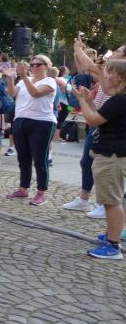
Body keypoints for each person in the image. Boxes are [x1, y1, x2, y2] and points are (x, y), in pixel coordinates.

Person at [63, 42, 126, 216]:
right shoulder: (115, 83)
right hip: (104, 125)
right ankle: (94, 201)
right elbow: (97, 78)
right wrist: (89, 100)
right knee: (88, 163)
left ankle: (107, 207)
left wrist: (77, 49)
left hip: (112, 136)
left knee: (112, 196)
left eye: (118, 51)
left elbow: (88, 66)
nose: (113, 53)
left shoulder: (120, 96)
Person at [73, 60, 126, 259]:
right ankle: (112, 235)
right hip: (112, 153)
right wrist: (90, 101)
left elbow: (93, 120)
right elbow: (103, 118)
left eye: (111, 72)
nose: (107, 76)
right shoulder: (118, 99)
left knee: (111, 202)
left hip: (111, 155)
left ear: (121, 77)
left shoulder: (120, 100)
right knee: (111, 200)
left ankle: (113, 246)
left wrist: (81, 100)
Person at [3, 55, 57, 206]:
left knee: (40, 159)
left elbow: (35, 93)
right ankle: (23, 188)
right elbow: (12, 93)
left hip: (42, 122)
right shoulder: (23, 81)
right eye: (32, 64)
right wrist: (10, 78)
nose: (33, 67)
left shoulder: (49, 81)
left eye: (38, 64)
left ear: (46, 66)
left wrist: (25, 76)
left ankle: (41, 193)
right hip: (21, 120)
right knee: (23, 158)